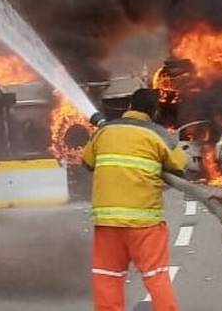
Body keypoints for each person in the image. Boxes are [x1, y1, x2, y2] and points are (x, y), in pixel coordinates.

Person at [83, 88, 187, 311]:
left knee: (107, 279)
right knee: (156, 278)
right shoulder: (158, 134)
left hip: (108, 223)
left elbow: (87, 161)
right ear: (155, 111)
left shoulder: (105, 131)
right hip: (145, 224)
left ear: (129, 107)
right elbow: (180, 166)